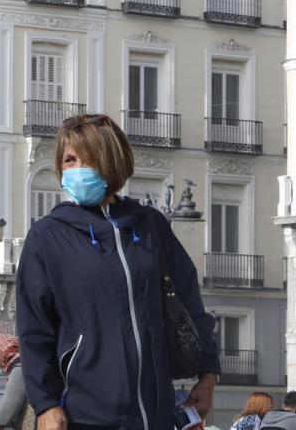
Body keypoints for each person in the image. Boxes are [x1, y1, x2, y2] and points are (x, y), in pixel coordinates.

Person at [16, 114, 221, 429]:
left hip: (157, 414)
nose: (76, 169)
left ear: (111, 161)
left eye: (87, 159)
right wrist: (44, 404)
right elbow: (34, 329)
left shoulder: (150, 225)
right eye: (69, 160)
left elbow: (191, 302)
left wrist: (208, 375)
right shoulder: (47, 236)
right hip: (85, 416)